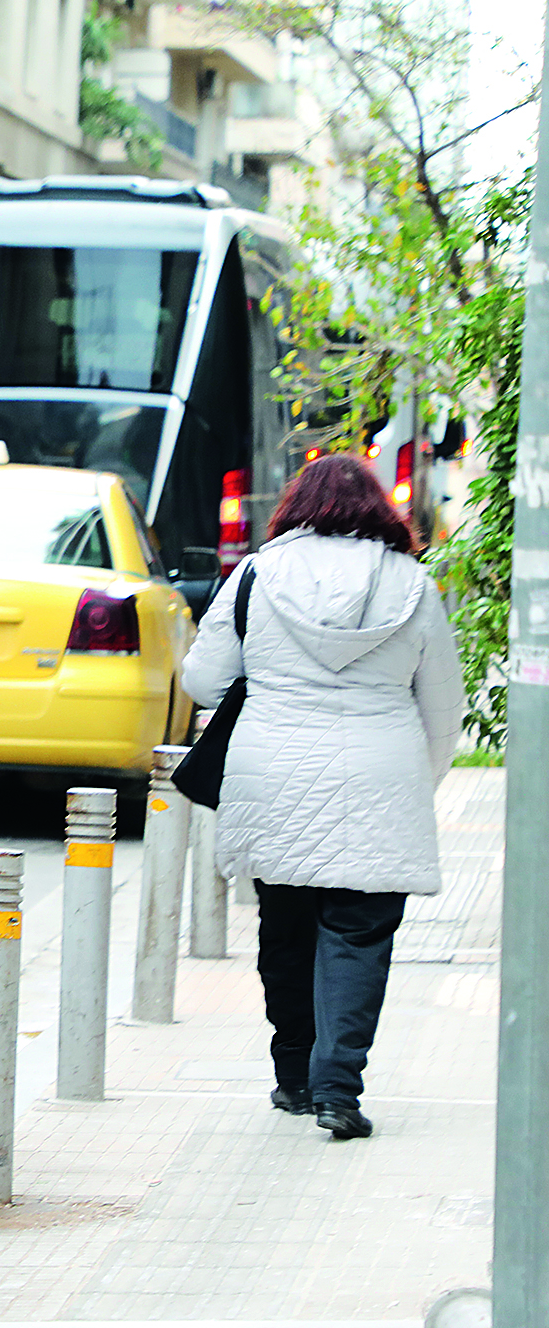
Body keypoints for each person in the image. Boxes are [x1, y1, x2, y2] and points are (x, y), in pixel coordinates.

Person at [181, 453, 459, 1141]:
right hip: (380, 773)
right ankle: (338, 1090)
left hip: (272, 775)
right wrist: (412, 785)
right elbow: (443, 707)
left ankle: (293, 1078)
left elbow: (201, 679)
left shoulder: (255, 574)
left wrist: (271, 690)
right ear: (377, 509)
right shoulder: (413, 584)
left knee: (285, 931)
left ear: (294, 506)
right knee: (359, 936)